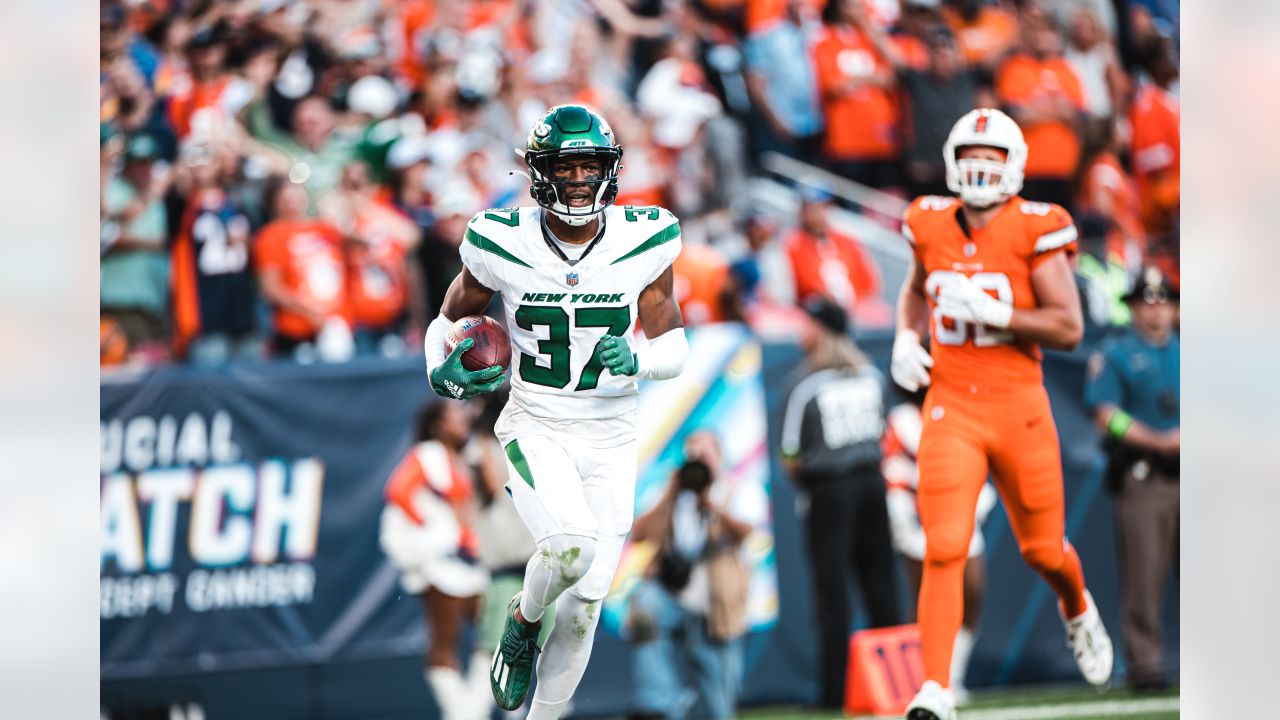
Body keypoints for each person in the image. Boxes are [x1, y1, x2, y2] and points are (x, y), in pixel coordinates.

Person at [422, 104, 688, 719]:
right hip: (537, 424)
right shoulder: (501, 239)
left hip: (613, 436)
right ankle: (521, 621)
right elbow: (445, 318)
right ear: (541, 171)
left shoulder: (644, 237)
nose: (577, 178)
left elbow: (672, 340)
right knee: (570, 548)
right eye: (565, 165)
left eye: (588, 165)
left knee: (588, 602)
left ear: (609, 171)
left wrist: (639, 360)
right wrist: (439, 366)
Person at [891, 108, 1113, 720]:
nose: (979, 168)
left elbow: (1069, 327)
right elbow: (915, 288)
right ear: (951, 163)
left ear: (1013, 166)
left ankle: (1077, 607)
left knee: (1042, 551)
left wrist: (998, 314)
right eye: (969, 157)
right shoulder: (928, 220)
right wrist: (905, 337)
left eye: (990, 158)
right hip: (952, 407)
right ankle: (936, 687)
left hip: (1019, 406)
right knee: (945, 545)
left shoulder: (1036, 226)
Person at [780, 298, 900, 709]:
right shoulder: (871, 375)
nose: (801, 332)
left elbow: (791, 456)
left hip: (829, 493)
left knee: (832, 595)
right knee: (881, 585)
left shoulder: (804, 384)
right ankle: (897, 681)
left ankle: (834, 692)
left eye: (807, 324)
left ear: (822, 330)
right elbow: (883, 434)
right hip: (872, 485)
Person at [1084, 267, 1179, 692]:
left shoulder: (1190, 351)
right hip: (1145, 476)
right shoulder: (1117, 354)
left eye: (1163, 302)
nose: (1156, 312)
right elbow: (1108, 417)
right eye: (1147, 302)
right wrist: (1159, 441)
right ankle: (1146, 665)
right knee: (1144, 575)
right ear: (1133, 308)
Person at [626, 431, 756, 720]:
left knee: (720, 705)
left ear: (719, 457)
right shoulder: (672, 494)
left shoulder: (735, 488)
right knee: (645, 609)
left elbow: (746, 532)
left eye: (704, 455)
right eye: (692, 456)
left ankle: (687, 707)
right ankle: (658, 705)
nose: (698, 462)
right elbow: (637, 535)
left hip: (716, 604)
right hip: (672, 595)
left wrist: (711, 502)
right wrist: (670, 493)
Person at [380, 401, 493, 720]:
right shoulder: (428, 455)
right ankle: (460, 713)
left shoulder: (472, 453)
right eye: (455, 415)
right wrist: (437, 530)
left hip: (472, 562)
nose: (463, 419)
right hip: (439, 563)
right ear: (438, 425)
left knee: (492, 635)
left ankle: (475, 708)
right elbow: (399, 491)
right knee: (445, 641)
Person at [881, 391, 996, 704]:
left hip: (961, 517)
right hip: (919, 525)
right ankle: (925, 682)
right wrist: (901, 516)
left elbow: (982, 459)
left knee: (972, 595)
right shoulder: (902, 420)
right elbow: (894, 470)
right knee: (926, 602)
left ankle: (951, 676)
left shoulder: (961, 410)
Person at [995, 15, 1086, 210]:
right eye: (1037, 32)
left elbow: (1076, 114)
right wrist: (1056, 109)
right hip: (1027, 169)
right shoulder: (1014, 68)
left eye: (1047, 32)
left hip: (1065, 169)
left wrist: (1037, 107)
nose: (1042, 37)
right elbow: (1017, 114)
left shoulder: (1067, 70)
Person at [783, 185, 888, 327]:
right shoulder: (793, 244)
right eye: (810, 208)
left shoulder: (847, 240)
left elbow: (869, 284)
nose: (816, 214)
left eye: (821, 207)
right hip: (816, 314)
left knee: (880, 314)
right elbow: (797, 291)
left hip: (855, 311)